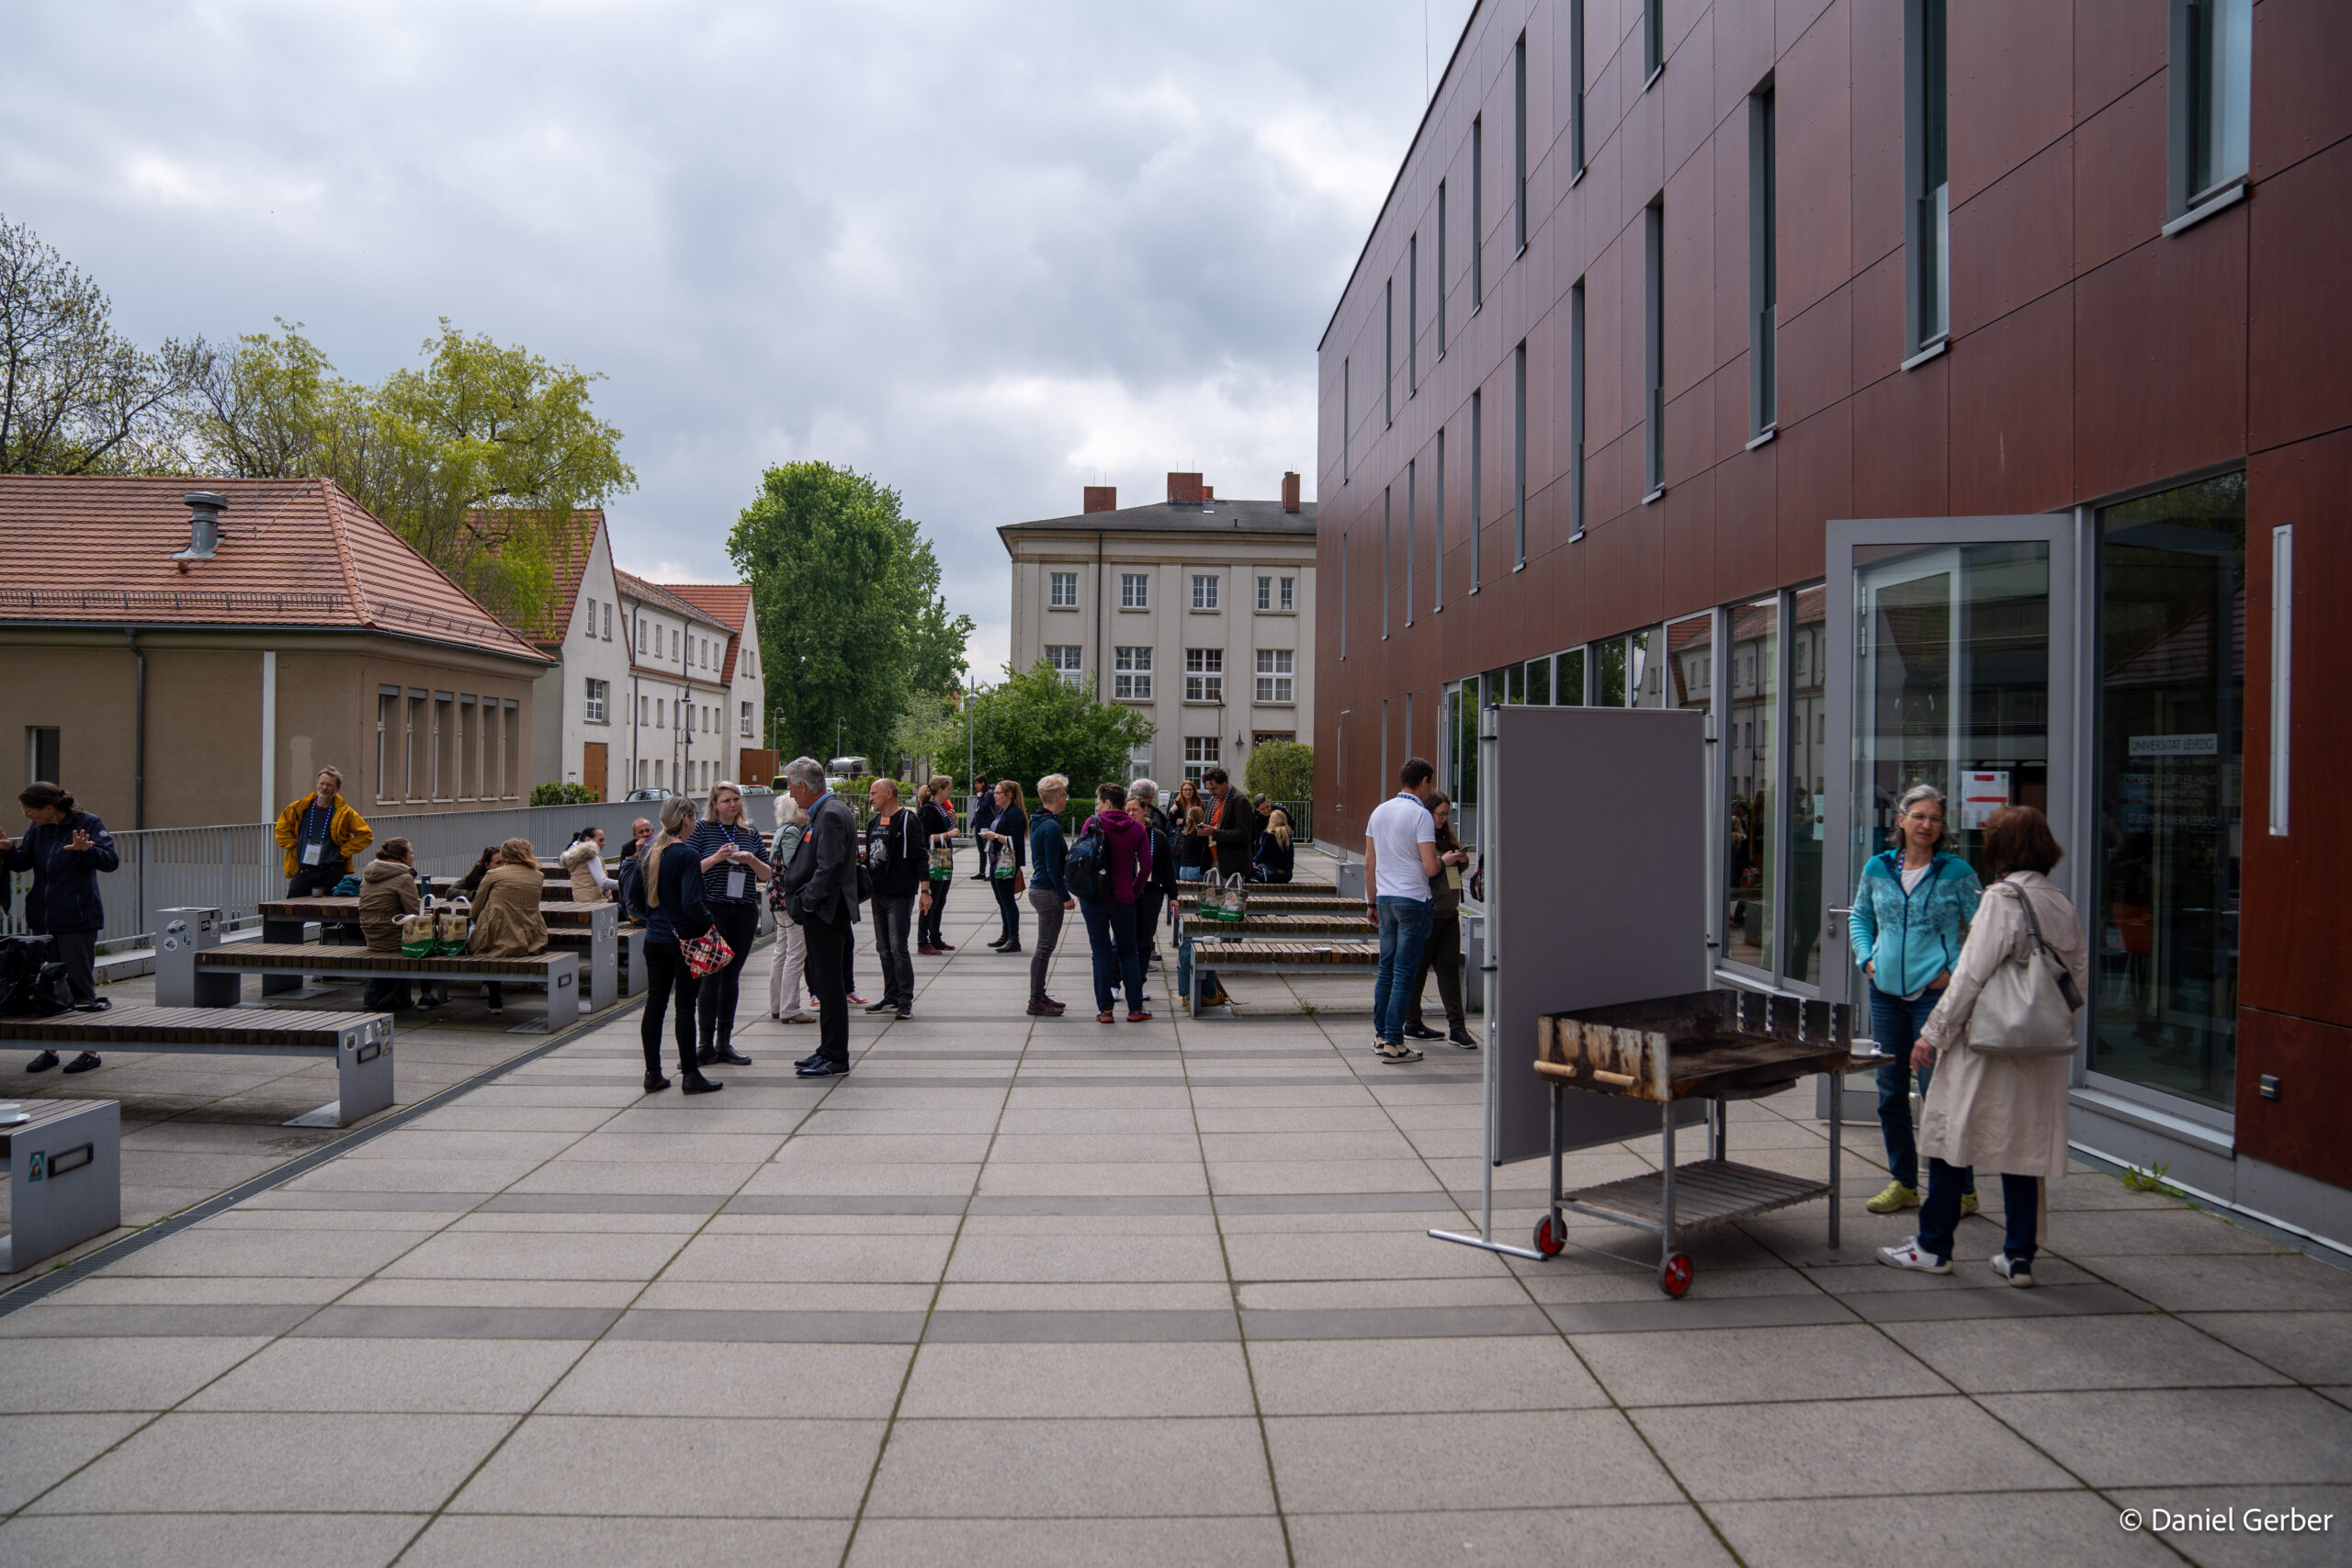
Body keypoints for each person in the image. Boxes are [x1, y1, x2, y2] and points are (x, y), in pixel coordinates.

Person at [1881, 807, 2087, 1286]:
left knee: (1954, 1138)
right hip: (2039, 1049)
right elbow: (2076, 982)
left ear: (2001, 847)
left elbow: (1970, 976)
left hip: (1987, 1045)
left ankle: (1933, 1246)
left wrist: (1931, 1035)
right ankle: (2019, 1257)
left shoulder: (2001, 898)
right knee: (2024, 1149)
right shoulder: (2060, 901)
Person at [1849, 783, 1984, 1216]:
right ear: (1901, 820)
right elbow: (1861, 916)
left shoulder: (1957, 872)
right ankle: (1903, 1182)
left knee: (1937, 1093)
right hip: (1885, 995)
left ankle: (1961, 1189)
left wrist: (1955, 971)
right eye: (1920, 816)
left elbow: (1984, 930)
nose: (1927, 824)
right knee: (1890, 1091)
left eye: (1936, 818)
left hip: (1934, 997)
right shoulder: (1878, 866)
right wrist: (1866, 959)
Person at [4, 783, 119, 1065]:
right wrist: (7, 850)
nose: (27, 817)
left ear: (49, 807)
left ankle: (90, 1052)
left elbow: (110, 861)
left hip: (77, 918)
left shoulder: (88, 823)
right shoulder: (38, 830)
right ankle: (51, 1050)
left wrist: (85, 850)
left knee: (80, 987)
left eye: (29, 811)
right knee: (45, 986)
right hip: (43, 916)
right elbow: (22, 863)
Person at [780, 756, 861, 1077]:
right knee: (825, 985)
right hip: (827, 911)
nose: (791, 796)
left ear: (803, 785)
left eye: (791, 788)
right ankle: (827, 1049)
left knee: (829, 986)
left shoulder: (829, 814)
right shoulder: (827, 811)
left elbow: (828, 866)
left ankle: (835, 1056)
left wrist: (808, 901)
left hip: (826, 912)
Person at [639, 796, 722, 1096]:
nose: (696, 821)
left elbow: (634, 896)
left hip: (654, 939)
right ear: (685, 818)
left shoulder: (649, 850)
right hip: (683, 941)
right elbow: (692, 902)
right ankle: (690, 1073)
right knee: (685, 1007)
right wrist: (709, 924)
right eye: (695, 815)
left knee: (655, 1004)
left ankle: (653, 1074)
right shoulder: (686, 854)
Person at [684, 782, 771, 1065]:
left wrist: (750, 860)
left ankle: (724, 1042)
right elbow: (689, 869)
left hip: (744, 909)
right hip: (712, 910)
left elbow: (768, 874)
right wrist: (717, 858)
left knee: (731, 978)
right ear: (714, 805)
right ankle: (704, 1044)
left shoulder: (749, 831)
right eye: (726, 801)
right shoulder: (702, 830)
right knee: (711, 977)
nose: (732, 805)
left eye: (736, 800)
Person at [1363, 758, 1442, 1065]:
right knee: (1404, 972)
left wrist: (1371, 902)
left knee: (1386, 969)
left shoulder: (1379, 811)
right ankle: (1395, 1041)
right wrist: (1443, 861)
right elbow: (1430, 866)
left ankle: (1381, 1035)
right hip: (1413, 900)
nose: (1430, 789)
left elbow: (1369, 862)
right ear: (1423, 781)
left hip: (1385, 898)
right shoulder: (1420, 815)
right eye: (1430, 783)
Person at [1076, 781, 1151, 1022]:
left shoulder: (1092, 823)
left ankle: (1105, 1010)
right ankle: (1135, 1009)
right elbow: (1147, 866)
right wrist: (1135, 890)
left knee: (1100, 952)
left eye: (1099, 802)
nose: (1097, 807)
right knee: (1128, 952)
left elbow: (1082, 857)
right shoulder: (1137, 828)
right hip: (1123, 898)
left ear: (1107, 802)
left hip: (1094, 897)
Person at [1402, 793, 1474, 1047]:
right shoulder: (1423, 835)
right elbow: (1427, 870)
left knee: (1449, 972)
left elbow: (1448, 873)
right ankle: (1412, 1022)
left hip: (1449, 912)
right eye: (1440, 814)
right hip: (1428, 912)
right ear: (1428, 812)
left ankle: (1458, 1028)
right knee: (1418, 971)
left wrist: (1459, 862)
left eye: (1446, 814)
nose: (1443, 819)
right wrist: (1444, 861)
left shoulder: (1445, 835)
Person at [465, 839, 548, 1019]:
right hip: (530, 936)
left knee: (489, 947)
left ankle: (494, 1000)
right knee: (497, 945)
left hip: (496, 933)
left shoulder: (493, 875)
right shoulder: (538, 875)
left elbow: (475, 909)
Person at [865, 777, 923, 1020]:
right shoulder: (874, 822)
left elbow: (920, 855)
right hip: (877, 893)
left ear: (889, 794)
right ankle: (890, 995)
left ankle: (905, 999)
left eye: (874, 792)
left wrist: (926, 891)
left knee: (898, 947)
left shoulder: (908, 819)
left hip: (899, 893)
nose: (870, 797)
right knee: (883, 947)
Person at [273, 767, 373, 899]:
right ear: (317, 784)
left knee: (331, 914)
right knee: (292, 909)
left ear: (337, 789)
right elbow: (281, 829)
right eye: (322, 783)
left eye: (329, 785)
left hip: (331, 869)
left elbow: (366, 835)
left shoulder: (345, 813)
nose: (324, 788)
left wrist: (342, 852)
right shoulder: (298, 808)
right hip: (305, 868)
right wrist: (294, 847)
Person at [1024, 774, 1075, 1016]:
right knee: (1044, 948)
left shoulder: (1038, 820)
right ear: (1057, 797)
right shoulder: (1052, 826)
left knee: (1044, 947)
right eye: (1065, 795)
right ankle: (1035, 1000)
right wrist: (1065, 896)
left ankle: (1039, 994)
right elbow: (1054, 868)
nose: (1066, 799)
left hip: (1040, 888)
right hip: (1047, 891)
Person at [357, 837, 423, 1012]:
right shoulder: (403, 878)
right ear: (400, 856)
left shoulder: (369, 874)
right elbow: (415, 911)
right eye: (411, 852)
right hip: (392, 936)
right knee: (429, 940)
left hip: (370, 932)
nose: (413, 856)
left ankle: (400, 998)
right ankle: (402, 998)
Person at [767, 791, 814, 1024]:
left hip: (778, 899)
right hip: (790, 900)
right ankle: (790, 1008)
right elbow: (793, 867)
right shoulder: (794, 832)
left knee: (781, 950)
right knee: (796, 953)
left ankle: (777, 1005)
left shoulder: (780, 831)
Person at [1127, 783, 1177, 973]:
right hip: (1128, 891)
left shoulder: (1157, 835)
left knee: (1145, 935)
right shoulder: (1123, 834)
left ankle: (1141, 973)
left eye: (1135, 810)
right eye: (1128, 810)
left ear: (1145, 811)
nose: (1131, 814)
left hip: (1151, 891)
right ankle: (1120, 977)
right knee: (1125, 935)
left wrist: (1173, 896)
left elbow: (1167, 868)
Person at [979, 778, 1027, 953]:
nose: (995, 796)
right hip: (996, 861)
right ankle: (1006, 934)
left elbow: (1017, 842)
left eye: (998, 793)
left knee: (1008, 901)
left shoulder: (1015, 814)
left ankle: (1014, 938)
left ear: (1009, 795)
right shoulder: (1004, 812)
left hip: (1007, 863)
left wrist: (996, 836)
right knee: (1002, 900)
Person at [916, 773, 958, 953]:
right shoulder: (928, 809)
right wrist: (947, 835)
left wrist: (953, 825)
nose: (950, 791)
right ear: (940, 789)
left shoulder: (939, 808)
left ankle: (935, 937)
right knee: (930, 900)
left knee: (940, 900)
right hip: (934, 859)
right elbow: (922, 837)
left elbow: (945, 830)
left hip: (943, 857)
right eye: (948, 788)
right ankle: (922, 941)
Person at [1201, 767, 1255, 883]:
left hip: (1233, 864)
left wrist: (1213, 832)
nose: (1211, 792)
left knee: (1231, 900)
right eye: (1209, 789)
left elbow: (1243, 834)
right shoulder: (1213, 800)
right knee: (1216, 900)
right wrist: (1203, 829)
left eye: (1214, 788)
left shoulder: (1240, 800)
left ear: (1224, 783)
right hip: (1214, 859)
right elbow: (1210, 824)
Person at [560, 827, 616, 904]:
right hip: (597, 905)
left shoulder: (577, 857)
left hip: (582, 904)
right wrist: (624, 885)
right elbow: (603, 882)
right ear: (588, 840)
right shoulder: (590, 856)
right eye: (601, 840)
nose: (604, 843)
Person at [1253, 807, 1295, 884]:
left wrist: (1254, 862)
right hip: (1287, 875)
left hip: (1272, 874)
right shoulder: (1288, 834)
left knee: (1254, 871)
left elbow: (1262, 853)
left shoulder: (1270, 834)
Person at [967, 773, 998, 882]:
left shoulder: (989, 794)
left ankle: (992, 872)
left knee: (989, 849)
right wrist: (971, 825)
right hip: (979, 826)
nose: (975, 786)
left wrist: (979, 797)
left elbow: (984, 807)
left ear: (983, 783)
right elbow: (977, 811)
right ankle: (981, 872)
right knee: (981, 850)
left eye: (977, 783)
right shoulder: (981, 794)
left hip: (987, 826)